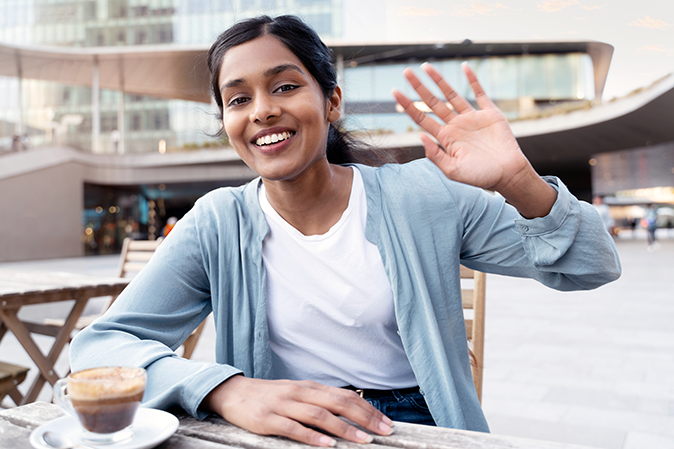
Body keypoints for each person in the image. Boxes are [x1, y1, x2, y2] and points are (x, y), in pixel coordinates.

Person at [70, 15, 621, 447]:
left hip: (415, 425)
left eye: (284, 86)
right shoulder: (219, 221)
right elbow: (96, 349)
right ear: (227, 124)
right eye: (238, 99)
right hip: (281, 424)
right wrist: (224, 389)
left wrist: (519, 181)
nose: (262, 110)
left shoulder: (422, 196)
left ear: (331, 101)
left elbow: (593, 264)